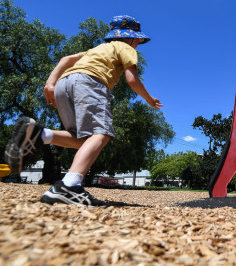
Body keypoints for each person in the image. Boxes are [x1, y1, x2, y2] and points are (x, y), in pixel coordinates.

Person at [4, 15, 163, 206]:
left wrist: (50, 84)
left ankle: (40, 134)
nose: (138, 42)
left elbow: (66, 59)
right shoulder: (126, 48)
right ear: (128, 37)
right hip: (90, 82)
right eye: (137, 38)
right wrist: (149, 99)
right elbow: (132, 80)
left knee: (82, 140)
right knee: (101, 133)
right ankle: (69, 186)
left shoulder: (96, 49)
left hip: (65, 83)